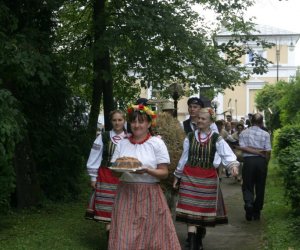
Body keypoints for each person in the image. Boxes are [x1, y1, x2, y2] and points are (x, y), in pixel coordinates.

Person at [108, 104, 181, 250]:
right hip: (126, 194)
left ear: (148, 123)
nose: (136, 125)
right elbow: (114, 171)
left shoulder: (157, 143)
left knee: (152, 236)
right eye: (133, 121)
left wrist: (147, 170)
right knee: (125, 236)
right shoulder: (122, 144)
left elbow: (164, 173)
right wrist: (119, 169)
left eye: (141, 121)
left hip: (150, 194)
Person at [173, 108, 239, 250]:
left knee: (201, 213)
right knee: (190, 213)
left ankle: (198, 239)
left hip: (207, 180)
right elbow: (184, 158)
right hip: (189, 178)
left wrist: (233, 166)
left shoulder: (217, 138)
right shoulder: (190, 137)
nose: (199, 121)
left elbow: (227, 155)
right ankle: (192, 245)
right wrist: (177, 175)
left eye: (203, 119)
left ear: (210, 121)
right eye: (198, 118)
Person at [85, 110, 127, 238]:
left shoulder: (130, 137)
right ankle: (110, 241)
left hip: (124, 177)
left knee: (123, 207)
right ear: (111, 121)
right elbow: (94, 157)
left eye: (120, 120)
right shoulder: (103, 136)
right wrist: (93, 177)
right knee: (108, 208)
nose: (117, 123)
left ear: (124, 121)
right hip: (106, 176)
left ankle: (119, 238)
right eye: (114, 120)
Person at [237, 113, 271, 221]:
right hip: (261, 161)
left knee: (247, 184)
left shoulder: (243, 133)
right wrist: (266, 162)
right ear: (261, 122)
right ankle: (257, 211)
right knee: (260, 186)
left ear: (251, 121)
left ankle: (248, 203)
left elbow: (242, 148)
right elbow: (268, 151)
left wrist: (250, 149)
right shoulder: (265, 134)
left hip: (248, 161)